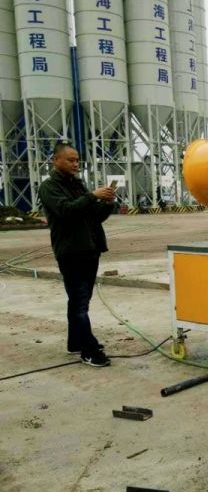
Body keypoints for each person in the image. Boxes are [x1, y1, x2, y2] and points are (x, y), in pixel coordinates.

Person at [39, 142, 116, 366]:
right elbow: (66, 210)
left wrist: (107, 203)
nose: (76, 164)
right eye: (71, 160)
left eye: (77, 160)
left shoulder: (78, 185)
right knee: (79, 302)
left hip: (90, 249)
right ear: (56, 160)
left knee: (81, 301)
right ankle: (88, 349)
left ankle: (75, 343)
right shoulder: (49, 187)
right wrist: (92, 196)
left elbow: (94, 216)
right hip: (71, 252)